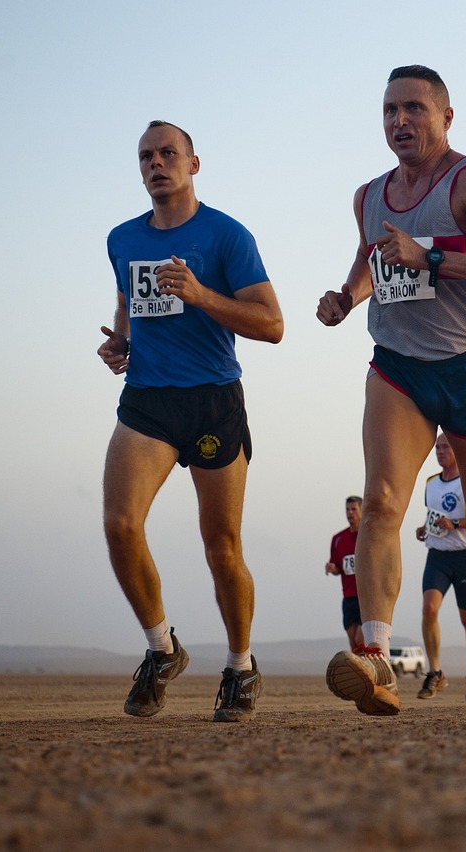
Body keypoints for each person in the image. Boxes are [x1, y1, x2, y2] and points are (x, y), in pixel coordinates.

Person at [316, 66, 466, 715]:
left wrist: (433, 257)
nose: (400, 121)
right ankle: (377, 655)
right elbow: (372, 258)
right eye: (390, 110)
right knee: (384, 500)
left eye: (415, 108)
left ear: (446, 117)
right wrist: (346, 296)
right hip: (400, 368)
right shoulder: (369, 196)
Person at [99, 120, 283, 722]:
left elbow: (272, 325)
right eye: (147, 156)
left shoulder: (226, 236)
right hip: (148, 400)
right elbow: (131, 297)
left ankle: (240, 665)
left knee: (222, 548)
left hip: (212, 400)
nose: (157, 163)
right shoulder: (121, 237)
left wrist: (203, 295)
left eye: (169, 153)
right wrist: (121, 342)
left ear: (193, 164)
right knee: (121, 524)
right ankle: (161, 649)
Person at [413, 434, 466, 701]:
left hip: (464, 556)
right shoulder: (431, 483)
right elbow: (433, 514)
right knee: (429, 609)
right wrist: (425, 528)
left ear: (458, 450)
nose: (440, 452)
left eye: (446, 448)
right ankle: (435, 673)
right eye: (438, 448)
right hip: (437, 556)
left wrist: (455, 524)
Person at [325, 496, 364, 650]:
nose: (350, 513)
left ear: (362, 510)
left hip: (366, 596)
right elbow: (338, 568)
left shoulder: (369, 536)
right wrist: (332, 568)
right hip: (348, 597)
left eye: (354, 509)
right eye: (347, 509)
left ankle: (367, 671)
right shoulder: (338, 539)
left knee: (361, 639)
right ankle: (357, 673)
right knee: (353, 643)